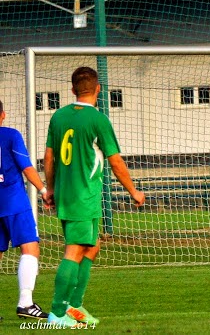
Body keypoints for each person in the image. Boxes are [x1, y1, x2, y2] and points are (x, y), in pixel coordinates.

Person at [43, 67, 146, 327]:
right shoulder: (98, 120)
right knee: (74, 250)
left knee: (93, 246)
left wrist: (51, 189)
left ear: (72, 89)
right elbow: (115, 161)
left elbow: (48, 157)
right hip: (83, 196)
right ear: (98, 89)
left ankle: (74, 307)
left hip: (68, 193)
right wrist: (133, 190)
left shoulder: (58, 116)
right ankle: (57, 313)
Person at [0, 100, 53, 321]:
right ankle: (25, 303)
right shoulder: (11, 135)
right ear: (2, 115)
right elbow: (27, 167)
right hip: (13, 202)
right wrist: (43, 190)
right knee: (30, 248)